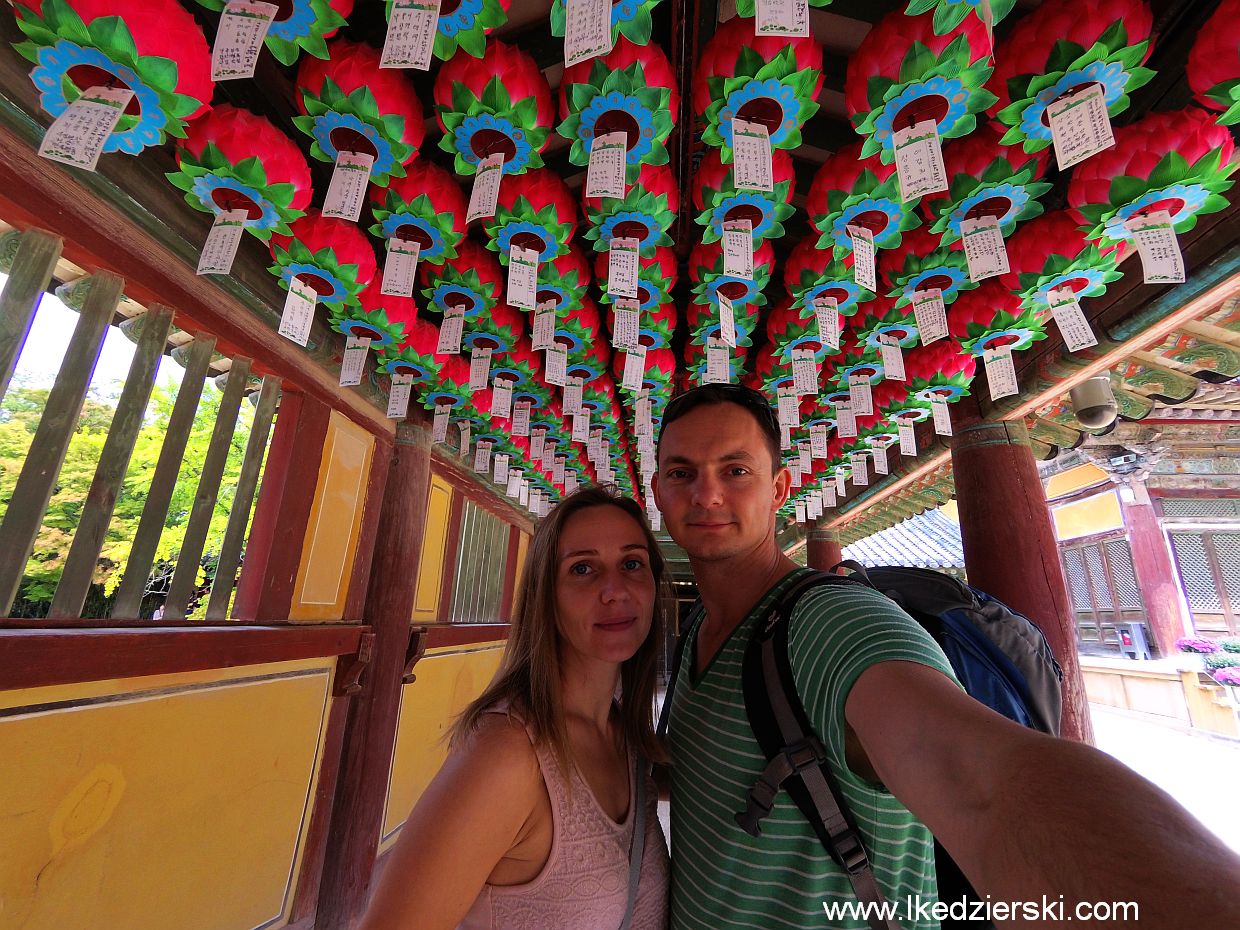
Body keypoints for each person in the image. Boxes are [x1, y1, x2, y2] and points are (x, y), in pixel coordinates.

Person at [652, 383, 1240, 930]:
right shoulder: (702, 624)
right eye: (683, 473)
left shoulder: (833, 625)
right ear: (657, 491)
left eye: (736, 470)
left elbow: (984, 785)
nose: (707, 494)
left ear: (778, 489)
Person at [357, 485, 670, 930]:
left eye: (632, 563)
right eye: (582, 568)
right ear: (546, 596)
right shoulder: (509, 754)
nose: (615, 589)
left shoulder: (625, 738)